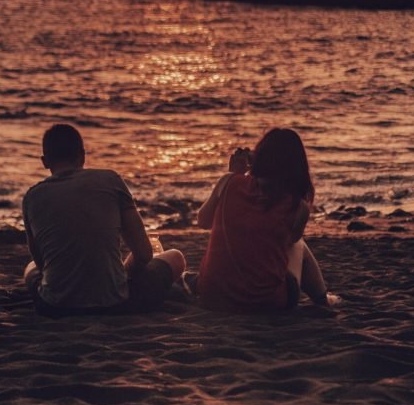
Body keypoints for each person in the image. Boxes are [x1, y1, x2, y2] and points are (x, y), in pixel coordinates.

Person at [22, 124, 186, 317]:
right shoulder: (110, 180)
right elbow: (143, 254)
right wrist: (124, 272)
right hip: (116, 304)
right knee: (175, 257)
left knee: (30, 268)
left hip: (55, 308)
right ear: (82, 155)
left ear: (45, 161)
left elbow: (42, 265)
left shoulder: (32, 197)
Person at [192, 128, 338, 312]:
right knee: (298, 244)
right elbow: (288, 243)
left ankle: (322, 297)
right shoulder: (297, 206)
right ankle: (322, 299)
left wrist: (235, 174)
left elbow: (203, 221)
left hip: (212, 296)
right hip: (268, 302)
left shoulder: (228, 182)